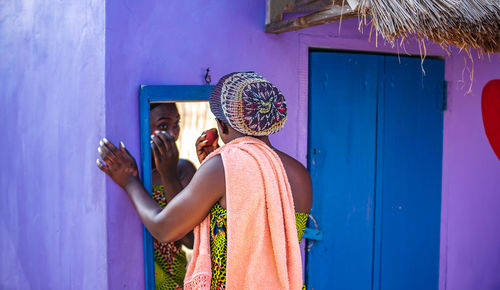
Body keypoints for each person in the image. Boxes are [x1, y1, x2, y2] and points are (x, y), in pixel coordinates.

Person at [97, 72, 313, 289]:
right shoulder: (300, 174)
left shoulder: (222, 167)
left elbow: (164, 229)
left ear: (222, 126)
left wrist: (129, 182)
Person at [150, 103, 196, 289]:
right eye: (162, 126)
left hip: (175, 280)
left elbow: (191, 240)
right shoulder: (128, 171)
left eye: (176, 124)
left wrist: (169, 176)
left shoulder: (183, 170)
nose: (173, 133)